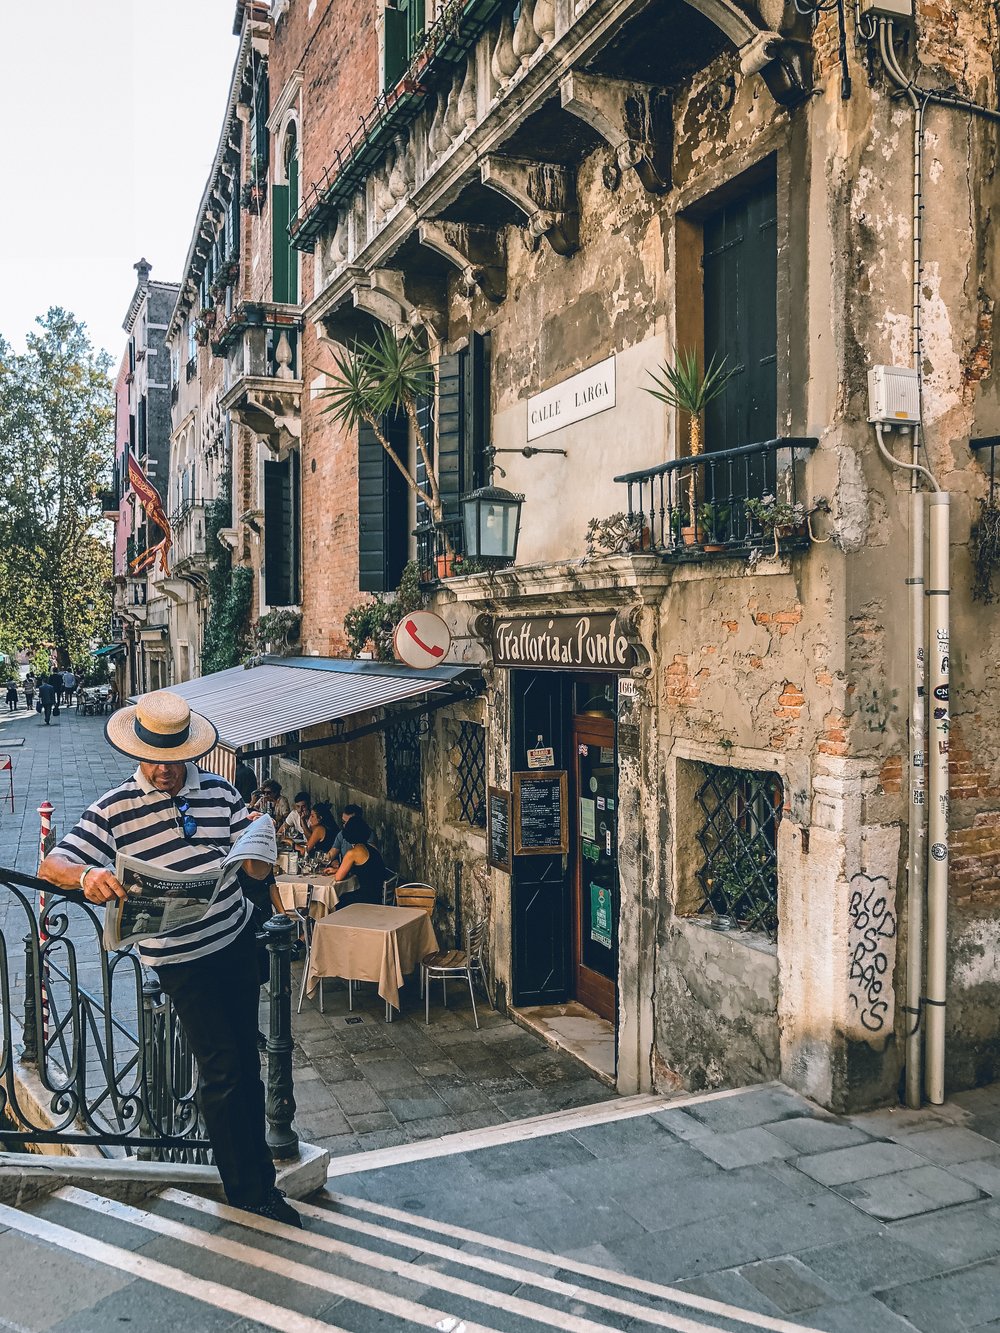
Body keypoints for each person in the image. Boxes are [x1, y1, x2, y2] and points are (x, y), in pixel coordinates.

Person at [37, 689, 301, 1228]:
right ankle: (249, 1191)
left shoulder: (222, 793)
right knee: (222, 1066)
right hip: (180, 960)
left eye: (173, 761)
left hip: (233, 941)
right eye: (152, 759)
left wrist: (258, 853)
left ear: (189, 753)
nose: (162, 770)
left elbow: (248, 859)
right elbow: (53, 863)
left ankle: (261, 1179)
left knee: (248, 1063)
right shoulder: (113, 808)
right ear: (138, 753)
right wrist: (89, 876)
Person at [331, 819, 387, 906]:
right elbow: (366, 869)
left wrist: (337, 871)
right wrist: (336, 870)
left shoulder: (353, 853)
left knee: (336, 899)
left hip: (366, 899)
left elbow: (338, 877)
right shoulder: (372, 847)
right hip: (377, 895)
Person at [327, 802, 365, 870]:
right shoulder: (342, 834)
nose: (344, 826)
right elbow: (331, 855)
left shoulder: (367, 835)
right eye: (343, 822)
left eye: (348, 823)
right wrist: (331, 861)